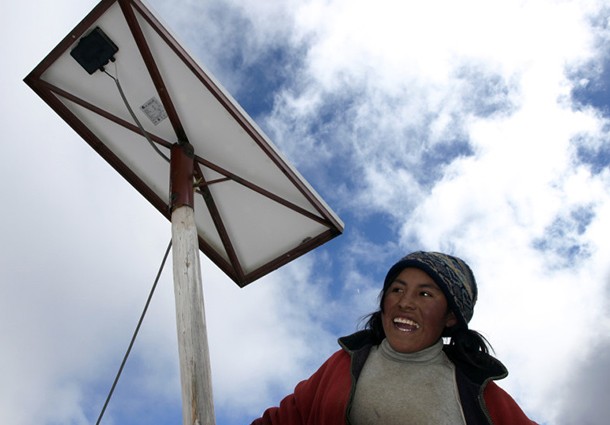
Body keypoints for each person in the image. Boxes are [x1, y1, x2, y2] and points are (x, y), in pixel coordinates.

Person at [250, 251, 538, 425]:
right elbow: (283, 420)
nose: (405, 302)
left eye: (425, 294)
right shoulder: (345, 363)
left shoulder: (479, 391)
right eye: (397, 290)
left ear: (451, 317)